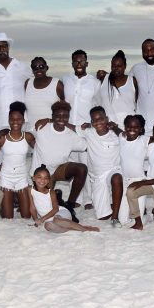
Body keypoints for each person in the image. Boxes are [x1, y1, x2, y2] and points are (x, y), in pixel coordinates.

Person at [0, 32, 32, 178]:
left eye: (4, 45)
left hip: (18, 122)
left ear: (8, 47)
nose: (1, 48)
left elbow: (33, 85)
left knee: (18, 158)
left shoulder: (21, 66)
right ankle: (1, 196)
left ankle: (17, 193)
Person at [32, 101, 88, 223]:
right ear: (52, 116)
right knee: (43, 209)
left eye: (65, 116)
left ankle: (70, 205)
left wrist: (89, 130)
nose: (61, 118)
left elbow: (86, 145)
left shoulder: (71, 135)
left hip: (58, 170)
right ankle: (57, 197)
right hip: (42, 175)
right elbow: (27, 132)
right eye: (58, 115)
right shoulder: (42, 128)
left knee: (81, 168)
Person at [62, 49, 101, 209]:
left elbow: (98, 105)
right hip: (69, 128)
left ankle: (90, 199)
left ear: (87, 63)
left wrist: (94, 124)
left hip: (86, 129)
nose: (79, 64)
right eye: (76, 61)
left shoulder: (94, 82)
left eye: (82, 61)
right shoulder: (65, 80)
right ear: (72, 63)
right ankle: (75, 197)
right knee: (72, 163)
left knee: (87, 164)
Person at [0, 102, 35, 219]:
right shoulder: (2, 138)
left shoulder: (28, 136)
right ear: (8, 120)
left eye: (18, 119)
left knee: (26, 216)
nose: (15, 122)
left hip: (21, 178)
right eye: (12, 119)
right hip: (6, 178)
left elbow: (40, 150)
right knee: (7, 218)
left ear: (23, 120)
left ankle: (17, 200)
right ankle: (7, 204)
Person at [76, 106, 123, 226]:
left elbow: (126, 138)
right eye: (94, 120)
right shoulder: (89, 132)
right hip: (97, 177)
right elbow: (70, 127)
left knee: (117, 177)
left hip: (114, 171)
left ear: (107, 118)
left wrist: (116, 128)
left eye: (101, 118)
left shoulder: (115, 134)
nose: (98, 122)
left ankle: (115, 217)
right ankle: (114, 205)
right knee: (103, 216)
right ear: (91, 122)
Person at [27, 164, 100, 233]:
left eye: (46, 178)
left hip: (60, 213)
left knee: (56, 220)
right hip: (48, 219)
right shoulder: (30, 189)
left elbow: (56, 209)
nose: (42, 180)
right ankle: (73, 229)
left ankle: (84, 228)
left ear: (49, 180)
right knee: (48, 226)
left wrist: (42, 219)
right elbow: (32, 207)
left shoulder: (51, 192)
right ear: (33, 178)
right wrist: (36, 220)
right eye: (39, 177)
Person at [117, 114, 150, 225]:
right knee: (122, 220)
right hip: (126, 182)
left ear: (141, 129)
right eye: (129, 127)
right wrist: (112, 126)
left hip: (139, 183)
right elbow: (118, 132)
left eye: (136, 127)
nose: (132, 129)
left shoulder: (144, 140)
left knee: (138, 220)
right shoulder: (122, 138)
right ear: (125, 127)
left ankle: (150, 216)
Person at [97, 50, 138, 128]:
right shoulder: (104, 79)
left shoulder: (132, 81)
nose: (116, 68)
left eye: (119, 66)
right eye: (113, 66)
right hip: (108, 127)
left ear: (125, 66)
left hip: (128, 127)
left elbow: (138, 103)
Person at [23, 57, 64, 132]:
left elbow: (65, 109)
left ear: (47, 68)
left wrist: (49, 120)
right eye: (35, 67)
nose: (38, 69)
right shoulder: (27, 83)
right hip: (31, 130)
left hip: (51, 130)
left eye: (41, 66)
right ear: (32, 70)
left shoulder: (57, 84)